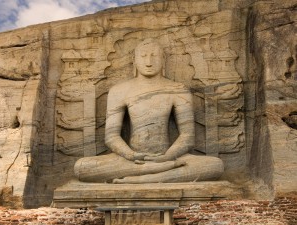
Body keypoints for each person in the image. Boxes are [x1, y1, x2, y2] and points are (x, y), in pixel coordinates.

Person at [74, 39, 224, 183]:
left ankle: (144, 177)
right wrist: (131, 155)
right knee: (81, 167)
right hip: (131, 160)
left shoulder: (177, 89)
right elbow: (111, 136)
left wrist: (167, 157)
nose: (149, 62)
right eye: (143, 56)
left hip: (169, 157)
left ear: (163, 59)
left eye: (154, 56)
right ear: (134, 60)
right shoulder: (119, 90)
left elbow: (187, 136)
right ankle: (160, 172)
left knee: (215, 165)